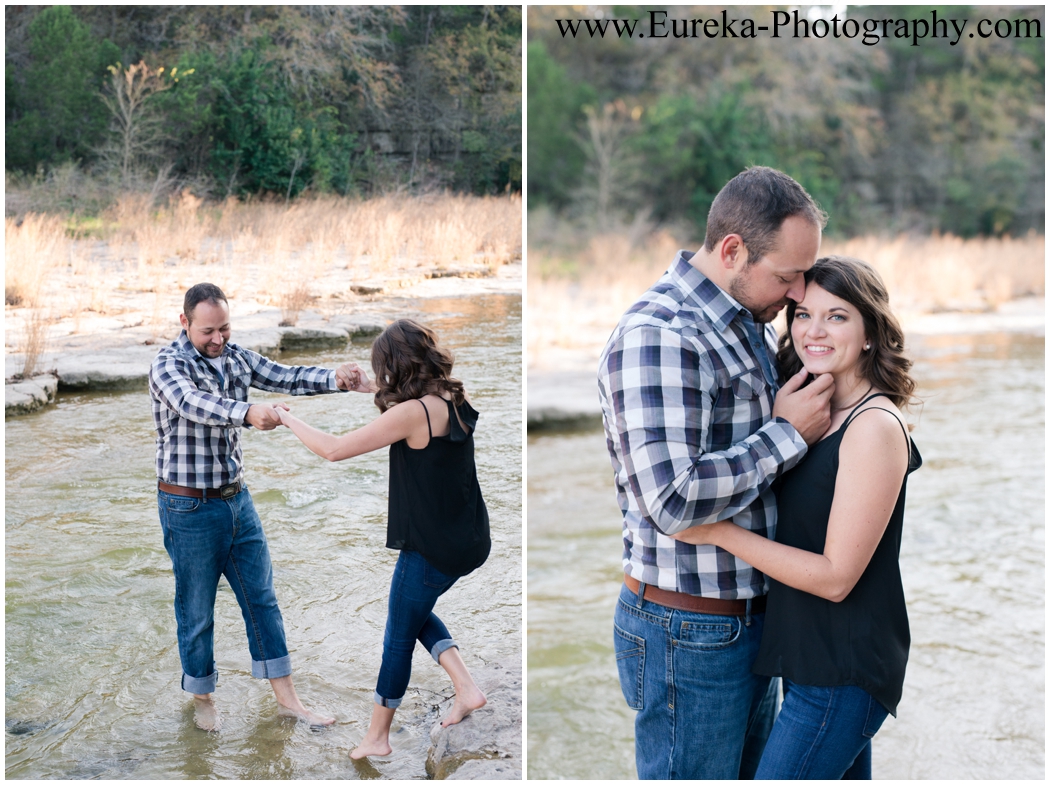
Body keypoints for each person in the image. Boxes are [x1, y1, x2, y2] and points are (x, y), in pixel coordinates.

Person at [597, 166, 835, 779]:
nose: (797, 292)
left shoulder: (743, 321)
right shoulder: (661, 334)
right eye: (786, 276)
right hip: (690, 630)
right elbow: (673, 500)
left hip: (748, 620)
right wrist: (786, 435)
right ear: (733, 251)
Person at [671, 256, 922, 779]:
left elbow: (834, 578)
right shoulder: (812, 411)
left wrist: (719, 532)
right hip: (808, 661)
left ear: (870, 332)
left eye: (837, 317)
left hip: (843, 669)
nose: (814, 331)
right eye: (803, 314)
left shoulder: (873, 425)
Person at [273, 318, 490, 760]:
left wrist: (287, 418)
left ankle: (377, 738)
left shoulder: (411, 414)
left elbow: (333, 449)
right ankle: (466, 688)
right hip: (468, 537)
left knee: (398, 633)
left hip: (432, 548)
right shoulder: (451, 395)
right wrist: (367, 388)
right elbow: (404, 409)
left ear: (396, 367)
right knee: (412, 610)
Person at [149, 282, 356, 732]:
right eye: (208, 331)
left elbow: (284, 376)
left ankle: (289, 701)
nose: (218, 339)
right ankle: (203, 698)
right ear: (184, 323)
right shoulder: (167, 365)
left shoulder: (236, 356)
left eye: (224, 328)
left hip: (237, 502)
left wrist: (336, 380)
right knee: (197, 610)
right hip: (187, 508)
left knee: (262, 600)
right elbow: (192, 403)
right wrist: (246, 413)